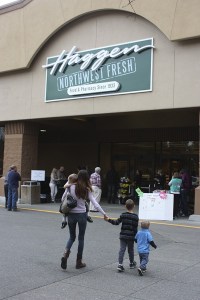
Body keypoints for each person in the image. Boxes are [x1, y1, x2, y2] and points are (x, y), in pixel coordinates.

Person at [60, 169, 108, 270]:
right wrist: (104, 214)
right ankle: (79, 262)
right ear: (87, 178)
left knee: (71, 237)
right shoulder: (86, 189)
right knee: (81, 238)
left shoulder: (70, 186)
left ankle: (65, 255)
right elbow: (95, 203)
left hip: (71, 215)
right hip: (82, 215)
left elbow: (63, 198)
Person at [104, 199, 138, 272]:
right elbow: (135, 228)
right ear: (134, 206)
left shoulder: (123, 215)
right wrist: (136, 238)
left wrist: (108, 219)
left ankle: (120, 264)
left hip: (123, 236)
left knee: (122, 250)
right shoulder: (135, 217)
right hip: (131, 236)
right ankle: (131, 263)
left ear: (125, 206)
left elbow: (116, 222)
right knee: (130, 250)